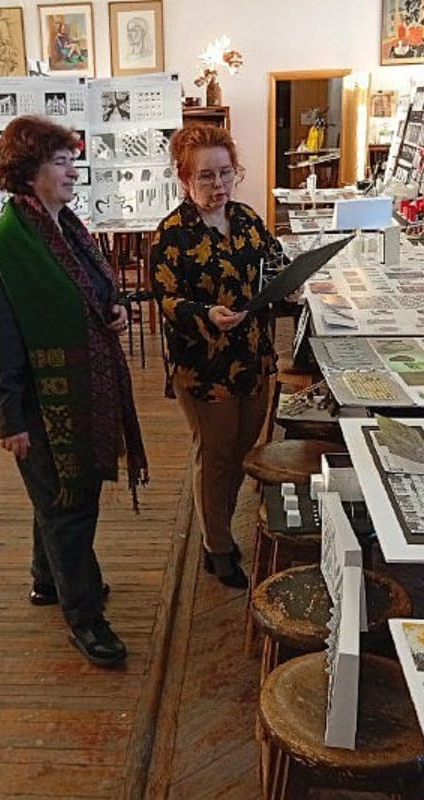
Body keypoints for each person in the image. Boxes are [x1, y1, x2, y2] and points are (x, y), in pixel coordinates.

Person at [0, 115, 148, 668]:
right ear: (30, 171)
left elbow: (98, 292)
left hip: (82, 390)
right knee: (69, 507)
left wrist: (116, 310)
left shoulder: (67, 227)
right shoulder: (8, 243)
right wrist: (10, 417)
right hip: (42, 402)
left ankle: (47, 579)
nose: (73, 171)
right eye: (61, 161)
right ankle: (85, 618)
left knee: (54, 499)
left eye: (72, 160)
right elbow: (0, 337)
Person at [149, 124, 286, 589]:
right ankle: (217, 546)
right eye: (205, 176)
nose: (218, 184)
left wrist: (291, 283)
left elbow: (275, 264)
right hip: (204, 366)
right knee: (215, 455)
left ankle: (219, 526)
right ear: (184, 178)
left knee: (241, 451)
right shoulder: (172, 234)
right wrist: (206, 312)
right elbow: (167, 298)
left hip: (253, 357)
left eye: (226, 173)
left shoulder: (246, 219)